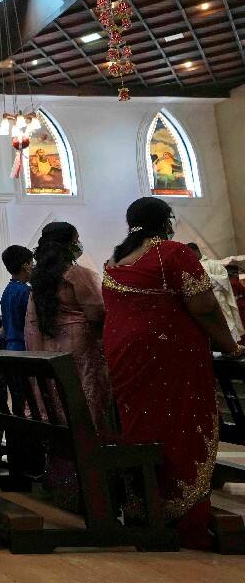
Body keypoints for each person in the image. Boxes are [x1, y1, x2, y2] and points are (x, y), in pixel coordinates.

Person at [101, 197, 244, 549]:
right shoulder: (172, 253)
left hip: (124, 359)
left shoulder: (113, 261)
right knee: (177, 427)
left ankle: (144, 507)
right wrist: (231, 346)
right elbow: (205, 306)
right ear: (165, 222)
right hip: (166, 359)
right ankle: (184, 519)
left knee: (141, 428)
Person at [24, 222, 110, 509]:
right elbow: (97, 313)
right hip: (79, 358)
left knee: (59, 416)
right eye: (76, 239)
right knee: (85, 416)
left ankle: (63, 484)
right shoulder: (77, 275)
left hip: (51, 359)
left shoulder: (38, 282)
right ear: (67, 244)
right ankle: (91, 488)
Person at [187, 243, 244, 344]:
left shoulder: (213, 264)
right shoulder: (189, 268)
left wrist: (206, 278)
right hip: (203, 304)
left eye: (190, 253)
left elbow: (224, 279)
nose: (189, 257)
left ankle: (233, 347)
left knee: (227, 325)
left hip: (219, 301)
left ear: (196, 251)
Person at [0, 245, 34, 351]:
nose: (33, 266)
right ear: (25, 265)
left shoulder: (7, 291)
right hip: (24, 345)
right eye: (32, 263)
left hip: (9, 346)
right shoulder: (25, 291)